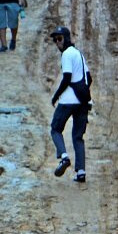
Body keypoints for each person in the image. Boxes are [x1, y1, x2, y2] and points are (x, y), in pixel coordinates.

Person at [49, 26, 91, 181]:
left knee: (55, 129)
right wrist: (83, 92)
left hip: (68, 100)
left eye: (59, 39)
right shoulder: (79, 54)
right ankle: (81, 173)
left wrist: (56, 96)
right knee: (78, 136)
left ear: (66, 38)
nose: (57, 42)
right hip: (83, 101)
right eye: (55, 40)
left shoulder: (66, 54)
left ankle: (64, 157)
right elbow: (89, 78)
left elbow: (67, 77)